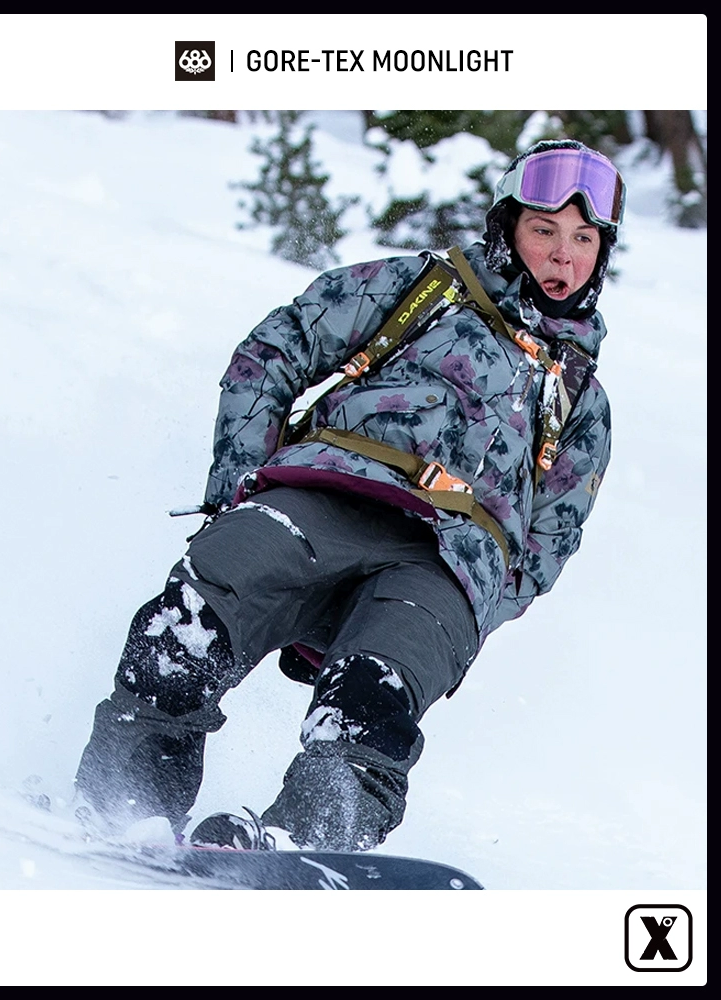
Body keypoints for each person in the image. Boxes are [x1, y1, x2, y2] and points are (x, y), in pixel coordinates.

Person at [75, 139, 626, 852]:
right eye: (544, 230)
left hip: (447, 565)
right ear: (509, 227)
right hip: (325, 497)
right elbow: (276, 348)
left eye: (583, 239)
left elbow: (550, 542)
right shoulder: (423, 289)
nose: (561, 256)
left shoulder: (581, 400)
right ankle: (126, 804)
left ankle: (298, 840)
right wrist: (238, 487)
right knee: (188, 622)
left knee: (371, 703)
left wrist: (472, 608)